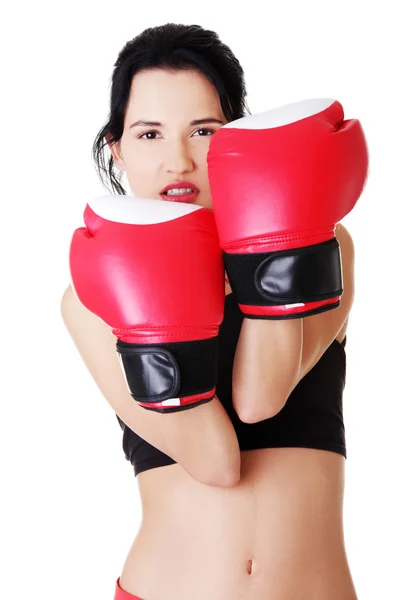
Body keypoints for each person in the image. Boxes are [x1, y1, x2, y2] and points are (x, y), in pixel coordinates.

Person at [61, 22, 361, 600]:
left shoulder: (325, 242)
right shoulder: (93, 299)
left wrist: (275, 236)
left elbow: (261, 396)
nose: (177, 159)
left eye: (204, 130)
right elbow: (216, 460)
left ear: (237, 141)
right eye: (149, 134)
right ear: (117, 150)